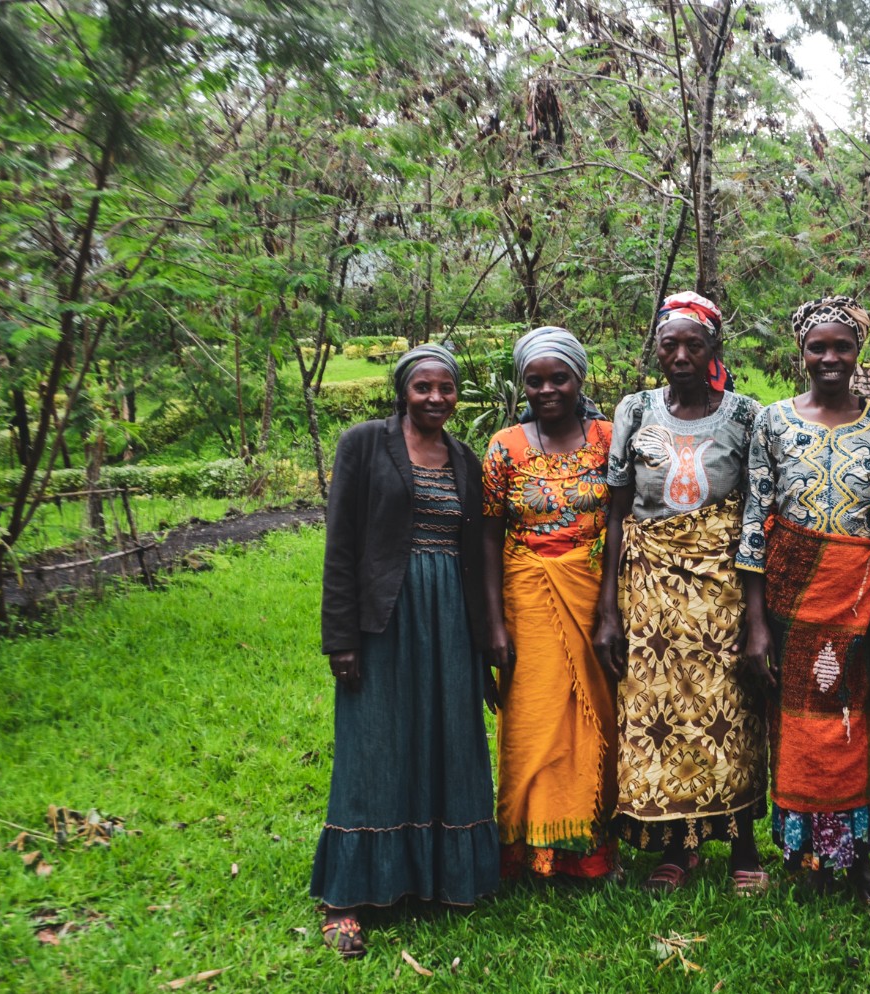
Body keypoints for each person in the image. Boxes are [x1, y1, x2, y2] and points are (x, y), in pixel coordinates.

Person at [313, 343, 499, 958]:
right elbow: (341, 546)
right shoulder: (364, 444)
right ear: (403, 391)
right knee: (374, 745)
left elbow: (475, 557)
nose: (437, 398)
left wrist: (483, 639)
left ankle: (441, 877)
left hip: (448, 616)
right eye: (424, 387)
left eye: (447, 388)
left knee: (447, 739)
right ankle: (344, 900)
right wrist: (340, 637)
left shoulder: (465, 459)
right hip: (384, 617)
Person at [592, 291, 770, 893]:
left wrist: (755, 612)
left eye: (695, 344)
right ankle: (675, 846)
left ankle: (743, 844)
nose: (682, 354)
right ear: (658, 350)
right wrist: (608, 608)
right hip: (650, 591)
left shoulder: (746, 415)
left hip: (721, 588)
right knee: (661, 713)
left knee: (731, 712)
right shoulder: (635, 410)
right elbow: (617, 511)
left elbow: (754, 513)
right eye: (671, 344)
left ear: (714, 348)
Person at [738, 296, 870, 901]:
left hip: (861, 598)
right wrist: (756, 623)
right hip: (791, 598)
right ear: (801, 353)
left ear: (858, 351)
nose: (830, 357)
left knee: (856, 725)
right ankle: (803, 854)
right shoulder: (773, 421)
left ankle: (857, 858)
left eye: (842, 346)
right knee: (799, 727)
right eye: (818, 347)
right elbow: (757, 519)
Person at [482, 326, 618, 882]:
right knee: (531, 721)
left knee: (592, 719)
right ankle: (522, 850)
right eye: (534, 381)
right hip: (526, 596)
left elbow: (627, 521)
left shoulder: (610, 438)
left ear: (578, 377)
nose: (546, 390)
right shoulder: (504, 447)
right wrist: (492, 623)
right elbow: (488, 535)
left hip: (590, 592)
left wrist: (612, 608)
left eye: (557, 377)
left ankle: (588, 850)